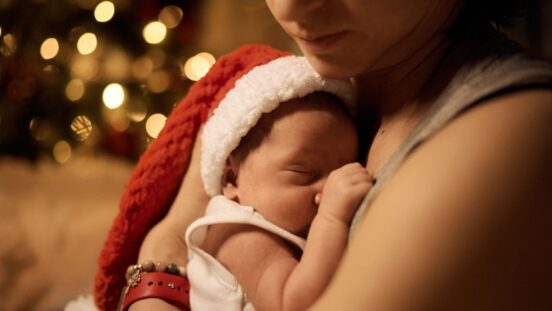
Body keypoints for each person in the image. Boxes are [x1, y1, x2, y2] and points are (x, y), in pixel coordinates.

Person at [93, 0, 552, 310]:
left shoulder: (510, 137)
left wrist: (166, 251)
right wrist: (166, 256)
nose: (292, 6)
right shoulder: (289, 95)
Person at [186, 54, 371, 310]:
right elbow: (291, 305)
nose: (330, 190)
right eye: (304, 173)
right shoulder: (240, 233)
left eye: (342, 171)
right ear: (231, 179)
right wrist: (331, 220)